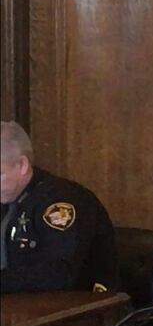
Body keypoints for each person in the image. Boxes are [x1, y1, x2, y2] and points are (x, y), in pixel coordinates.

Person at [1, 120, 118, 294]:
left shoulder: (60, 202)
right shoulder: (8, 197)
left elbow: (59, 275)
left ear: (22, 165)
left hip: (81, 312)